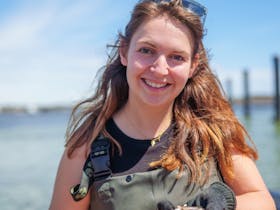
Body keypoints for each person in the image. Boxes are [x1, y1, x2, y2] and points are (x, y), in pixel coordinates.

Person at [49, 0, 276, 209]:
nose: (159, 69)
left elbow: (262, 200)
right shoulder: (86, 147)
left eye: (176, 57)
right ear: (124, 52)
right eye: (146, 50)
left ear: (193, 65)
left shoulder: (213, 132)